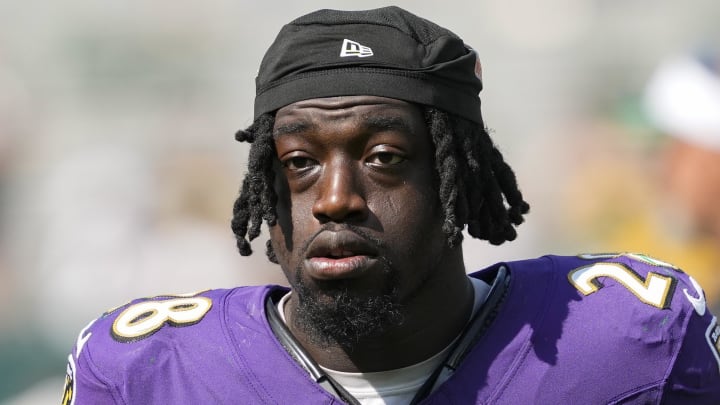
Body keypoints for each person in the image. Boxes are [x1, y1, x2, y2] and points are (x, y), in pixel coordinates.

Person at [62, 7, 720, 404]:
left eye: (383, 158)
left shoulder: (629, 342)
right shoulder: (145, 372)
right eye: (299, 162)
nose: (335, 199)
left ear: (453, 179)